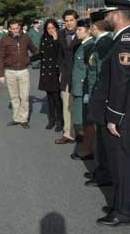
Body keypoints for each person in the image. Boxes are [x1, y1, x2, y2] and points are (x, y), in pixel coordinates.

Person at [94, 0, 130, 227]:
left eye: (107, 13)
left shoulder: (125, 42)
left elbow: (121, 84)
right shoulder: (122, 39)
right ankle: (120, 203)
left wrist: (114, 118)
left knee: (124, 166)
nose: (105, 17)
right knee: (118, 165)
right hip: (122, 115)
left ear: (117, 15)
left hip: (123, 117)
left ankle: (124, 212)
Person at [84, 9, 113, 187]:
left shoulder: (105, 44)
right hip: (97, 94)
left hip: (101, 96)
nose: (90, 29)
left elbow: (102, 74)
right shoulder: (99, 42)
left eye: (90, 26)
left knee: (104, 140)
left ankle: (106, 174)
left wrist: (96, 96)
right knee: (100, 139)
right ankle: (102, 170)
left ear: (94, 26)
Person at [0, 19, 39, 129]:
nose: (16, 30)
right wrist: (1, 74)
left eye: (17, 28)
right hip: (10, 72)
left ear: (19, 27)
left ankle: (24, 119)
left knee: (24, 97)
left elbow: (34, 49)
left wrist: (37, 56)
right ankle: (16, 118)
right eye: (13, 28)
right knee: (14, 96)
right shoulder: (5, 39)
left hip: (23, 71)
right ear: (10, 29)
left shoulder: (25, 37)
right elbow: (1, 57)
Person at [70, 18, 95, 160]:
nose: (77, 31)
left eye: (80, 29)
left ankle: (87, 149)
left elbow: (89, 70)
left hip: (83, 88)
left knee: (86, 121)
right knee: (81, 120)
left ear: (88, 31)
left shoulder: (89, 46)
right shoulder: (82, 44)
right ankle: (85, 147)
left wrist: (86, 91)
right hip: (78, 87)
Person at [55, 9, 81, 144]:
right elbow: (59, 55)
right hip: (65, 75)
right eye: (66, 21)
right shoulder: (61, 34)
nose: (69, 23)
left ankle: (83, 134)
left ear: (76, 20)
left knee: (81, 106)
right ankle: (68, 134)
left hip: (80, 76)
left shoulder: (83, 33)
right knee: (67, 105)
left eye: (71, 20)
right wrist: (60, 71)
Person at [37, 19, 63, 132]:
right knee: (49, 97)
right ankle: (51, 119)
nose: (50, 30)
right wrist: (27, 59)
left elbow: (59, 53)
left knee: (57, 98)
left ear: (56, 28)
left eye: (53, 28)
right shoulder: (44, 38)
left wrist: (56, 38)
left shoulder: (60, 37)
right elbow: (41, 54)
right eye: (48, 28)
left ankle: (60, 121)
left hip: (55, 71)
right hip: (45, 71)